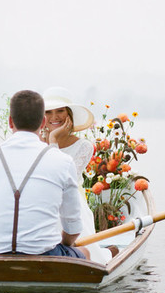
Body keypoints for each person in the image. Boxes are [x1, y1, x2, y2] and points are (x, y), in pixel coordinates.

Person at [0, 89, 89, 258]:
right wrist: (64, 246)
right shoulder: (62, 161)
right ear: (43, 122)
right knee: (85, 252)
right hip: (46, 255)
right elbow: (73, 229)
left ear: (10, 122)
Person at [42, 87, 118, 264]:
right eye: (48, 112)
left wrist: (53, 141)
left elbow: (63, 180)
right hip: (41, 202)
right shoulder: (34, 142)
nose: (54, 117)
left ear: (69, 114)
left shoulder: (84, 146)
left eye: (60, 111)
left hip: (69, 201)